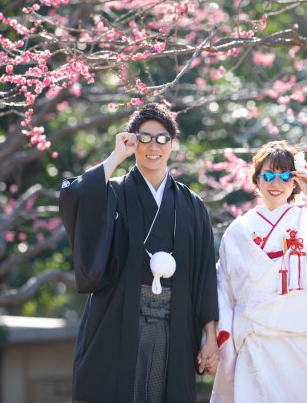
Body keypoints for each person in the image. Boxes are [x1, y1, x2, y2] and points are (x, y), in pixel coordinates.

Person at [59, 103, 220, 403]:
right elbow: (74, 194)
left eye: (162, 138)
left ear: (173, 143)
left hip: (176, 323)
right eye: (144, 138)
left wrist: (210, 336)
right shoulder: (114, 192)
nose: (153, 146)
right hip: (119, 319)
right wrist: (117, 155)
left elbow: (204, 273)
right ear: (132, 140)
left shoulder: (192, 204)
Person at [210, 141, 307, 403]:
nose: (276, 182)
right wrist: (219, 340)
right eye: (268, 175)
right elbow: (224, 291)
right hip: (255, 343)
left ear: (295, 181)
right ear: (257, 180)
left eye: (285, 175)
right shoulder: (238, 232)